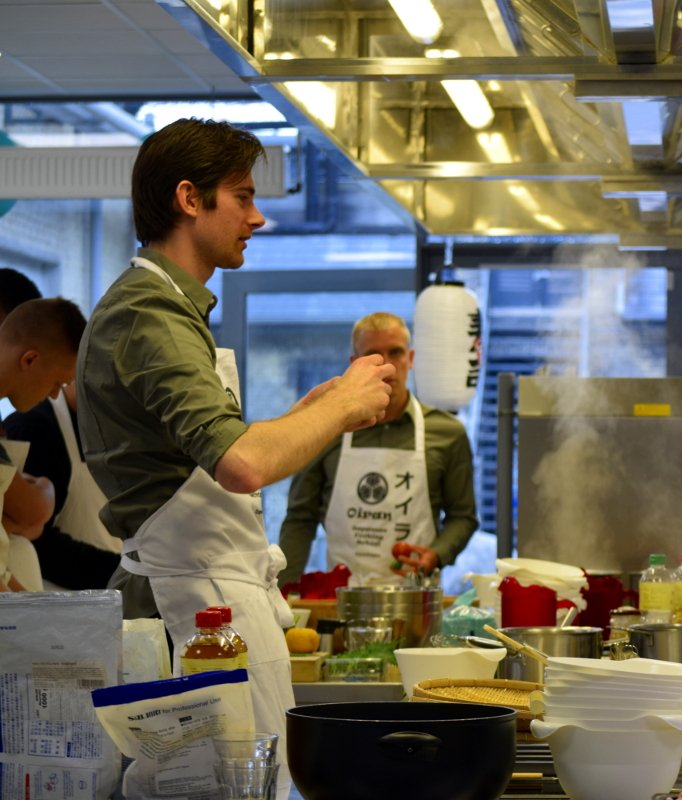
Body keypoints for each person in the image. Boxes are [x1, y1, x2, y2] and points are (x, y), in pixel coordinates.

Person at [76, 118, 394, 750]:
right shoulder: (149, 311)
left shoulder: (173, 307)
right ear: (190, 199)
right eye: (243, 197)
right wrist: (341, 407)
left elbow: (213, 453)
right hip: (191, 612)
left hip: (207, 599)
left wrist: (315, 412)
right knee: (219, 783)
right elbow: (241, 463)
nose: (257, 217)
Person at [278, 311, 479, 585]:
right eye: (373, 356)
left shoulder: (448, 434)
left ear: (410, 358)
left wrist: (436, 554)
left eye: (396, 352)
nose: (387, 366)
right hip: (342, 597)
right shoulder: (327, 429)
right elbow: (301, 518)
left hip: (416, 598)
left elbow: (463, 517)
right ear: (354, 366)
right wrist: (283, 590)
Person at [0, 298, 86, 591]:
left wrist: (33, 608)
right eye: (57, 383)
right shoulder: (35, 424)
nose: (53, 395)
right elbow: (31, 514)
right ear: (30, 360)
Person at [5, 381, 123, 589]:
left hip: (105, 595)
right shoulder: (33, 426)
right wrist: (122, 574)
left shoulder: (118, 433)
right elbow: (33, 532)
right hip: (53, 594)